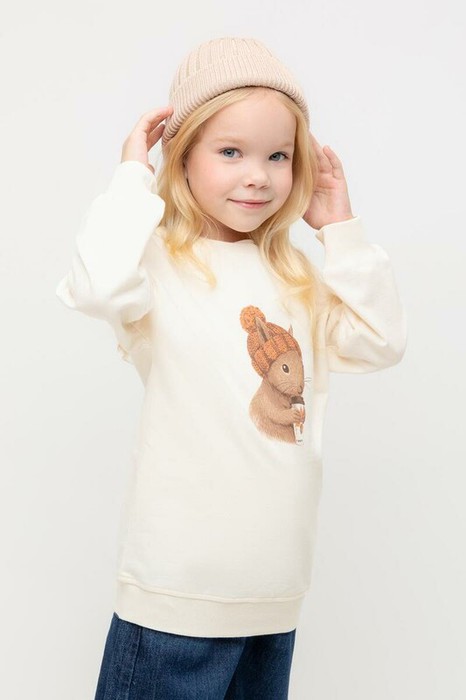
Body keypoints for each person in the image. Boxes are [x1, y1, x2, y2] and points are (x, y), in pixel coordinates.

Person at [56, 36, 408, 700]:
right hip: (177, 594)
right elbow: (96, 286)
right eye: (230, 152)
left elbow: (380, 342)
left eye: (278, 155)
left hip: (273, 594)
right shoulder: (156, 264)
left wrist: (340, 229)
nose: (258, 175)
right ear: (181, 155)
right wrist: (132, 177)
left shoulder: (295, 276)